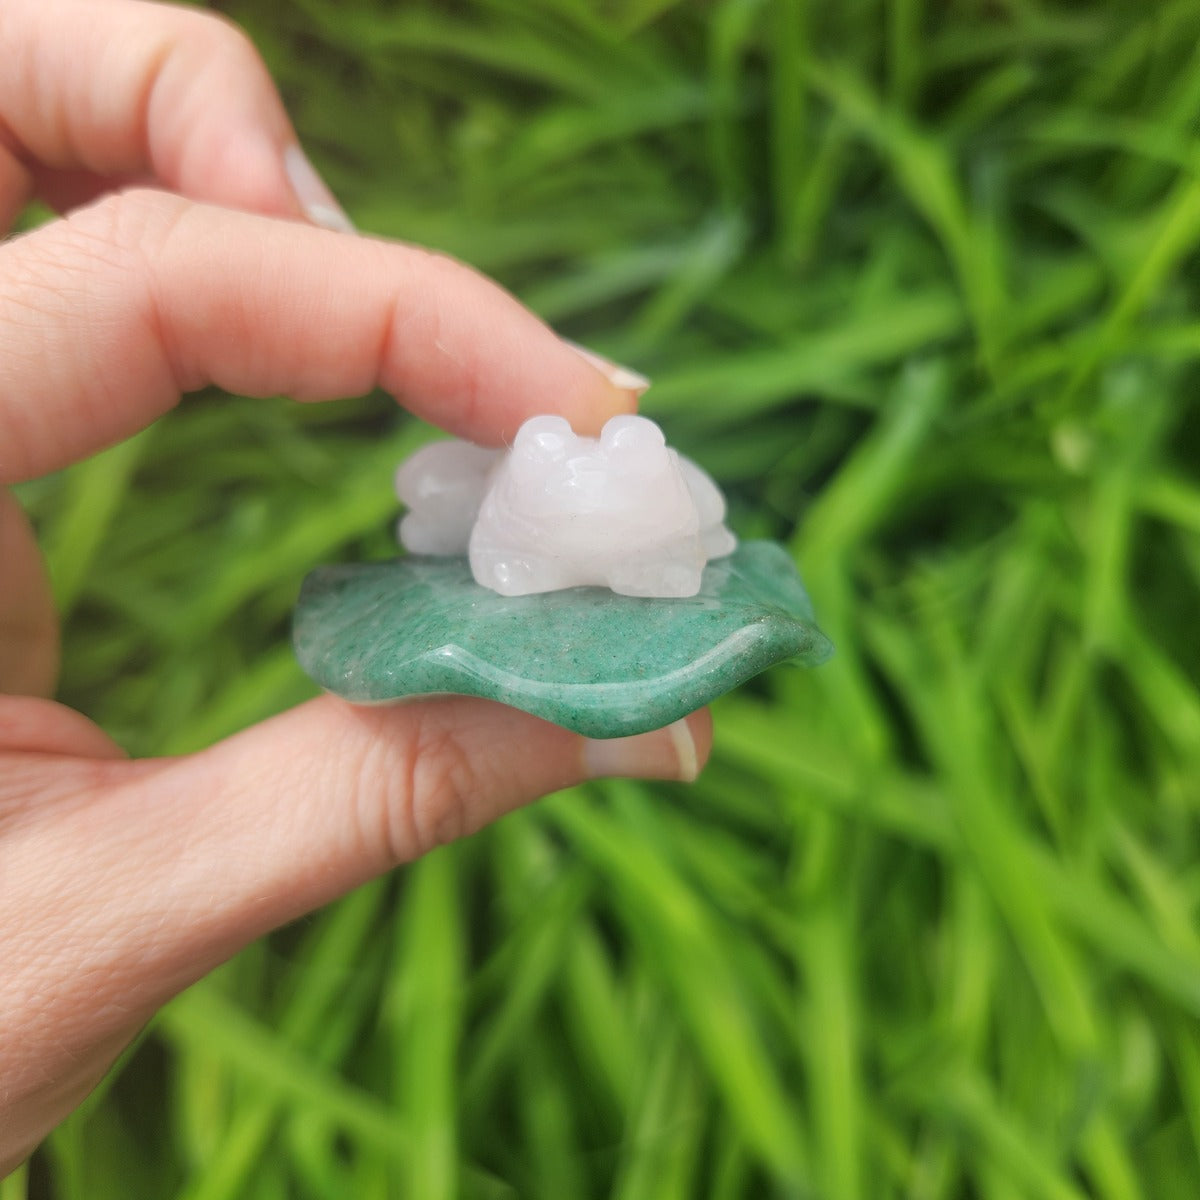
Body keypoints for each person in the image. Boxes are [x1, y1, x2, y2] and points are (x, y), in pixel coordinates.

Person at [0, 0, 711, 1175]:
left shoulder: (646, 509)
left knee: (621, 491)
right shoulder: (505, 507)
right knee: (494, 491)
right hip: (515, 531)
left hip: (610, 532)